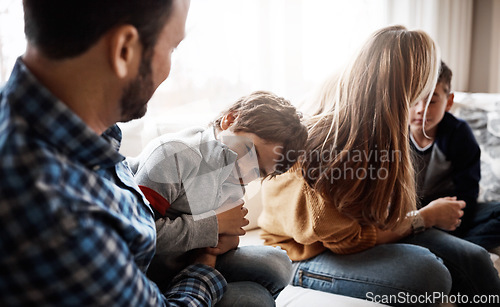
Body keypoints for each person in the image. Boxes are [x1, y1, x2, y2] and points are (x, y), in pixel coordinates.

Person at [0, 0, 231, 305]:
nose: (170, 68)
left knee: (268, 267)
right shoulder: (62, 216)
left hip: (133, 273)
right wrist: (204, 268)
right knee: (255, 296)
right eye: (172, 47)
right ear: (124, 49)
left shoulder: (58, 121)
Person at [258, 25, 500, 306]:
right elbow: (348, 240)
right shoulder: (328, 138)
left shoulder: (385, 127)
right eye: (418, 92)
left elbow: (380, 214)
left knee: (475, 259)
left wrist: (418, 219)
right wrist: (423, 219)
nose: (420, 105)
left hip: (361, 230)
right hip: (305, 252)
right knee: (429, 275)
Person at [128, 90, 306, 306]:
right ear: (229, 120)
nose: (247, 172)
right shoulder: (173, 155)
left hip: (189, 262)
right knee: (257, 300)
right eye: (251, 152)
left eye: (260, 171)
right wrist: (213, 226)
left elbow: (221, 236)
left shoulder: (235, 174)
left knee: (278, 264)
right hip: (150, 269)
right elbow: (137, 234)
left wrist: (226, 241)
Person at [410, 60, 500, 252]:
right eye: (414, 99)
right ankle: (452, 249)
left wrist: (453, 227)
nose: (420, 109)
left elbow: (467, 194)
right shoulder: (393, 135)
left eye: (431, 101)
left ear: (448, 102)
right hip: (408, 217)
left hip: (448, 217)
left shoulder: (459, 134)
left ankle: (454, 249)